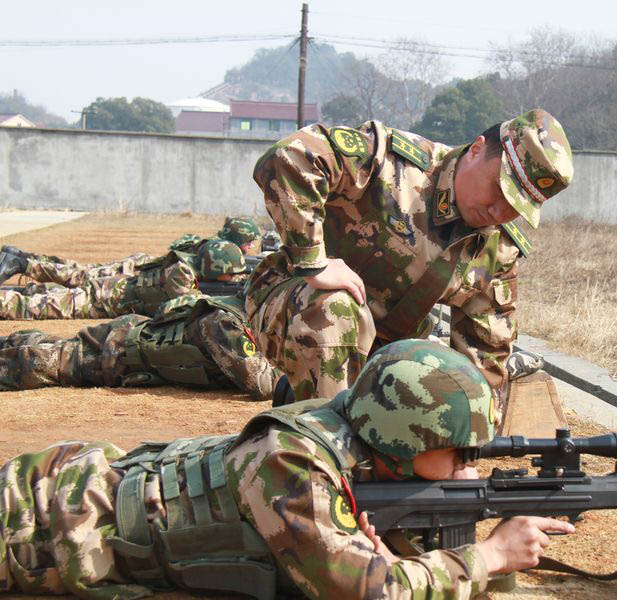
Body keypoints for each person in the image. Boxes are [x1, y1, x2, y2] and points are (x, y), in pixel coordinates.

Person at [0, 339, 574, 599]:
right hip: (40, 522)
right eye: (458, 450)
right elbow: (371, 593)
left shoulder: (353, 433)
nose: (467, 464)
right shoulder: (294, 462)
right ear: (402, 438)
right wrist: (491, 555)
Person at [247, 109, 573, 424]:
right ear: (477, 149)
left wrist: (464, 446)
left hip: (382, 345)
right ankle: (326, 441)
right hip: (290, 307)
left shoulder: (497, 248)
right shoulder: (393, 165)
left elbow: (484, 358)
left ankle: (314, 395)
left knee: (434, 387)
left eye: (516, 207)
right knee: (337, 309)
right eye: (500, 190)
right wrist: (313, 262)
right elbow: (291, 156)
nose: (499, 212)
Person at [0, 292, 280, 399]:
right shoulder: (225, 321)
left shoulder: (247, 316)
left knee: (60, 348)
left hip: (128, 340)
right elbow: (262, 383)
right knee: (38, 363)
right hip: (120, 354)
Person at [0, 239, 245, 320]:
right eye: (230, 273)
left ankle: (24, 275)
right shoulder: (181, 273)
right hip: (105, 297)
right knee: (34, 308)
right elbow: (188, 308)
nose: (234, 278)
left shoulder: (198, 270)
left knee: (44, 296)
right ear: (214, 268)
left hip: (112, 292)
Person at [0, 216, 261, 287]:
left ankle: (23, 257)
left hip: (144, 266)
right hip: (137, 270)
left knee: (81, 271)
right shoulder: (217, 251)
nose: (249, 247)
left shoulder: (215, 245)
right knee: (80, 277)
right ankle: (22, 264)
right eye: (248, 241)